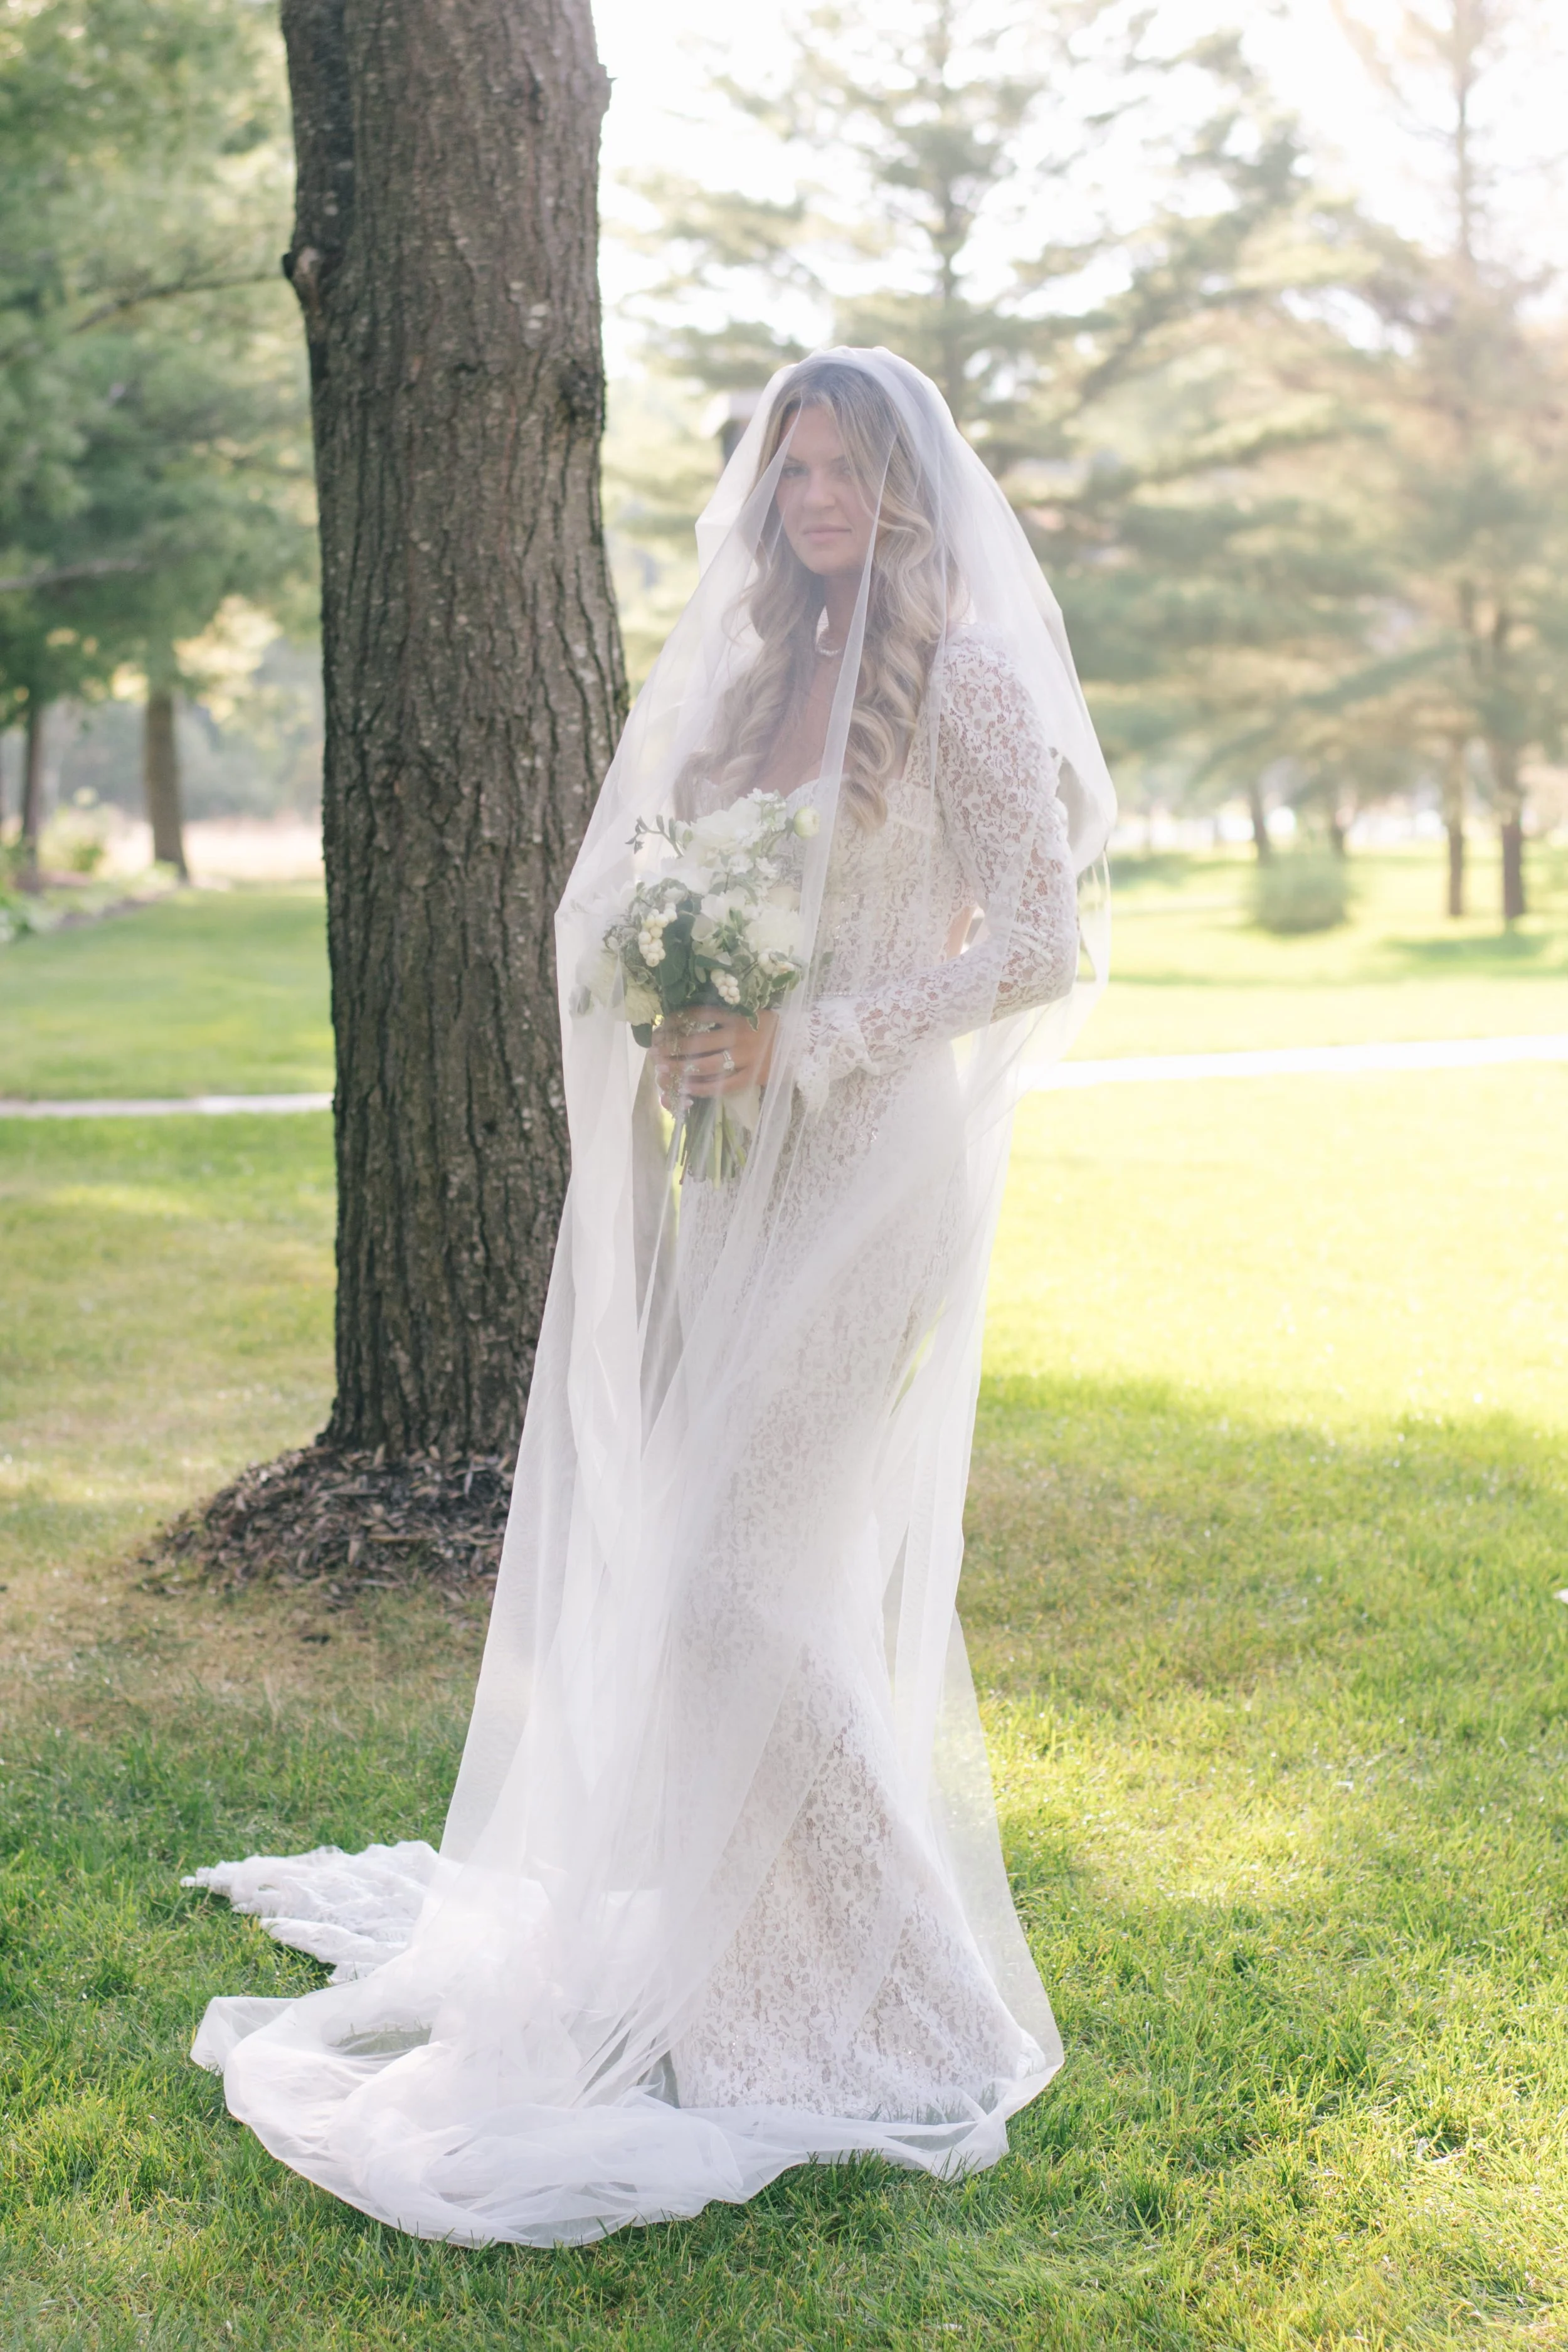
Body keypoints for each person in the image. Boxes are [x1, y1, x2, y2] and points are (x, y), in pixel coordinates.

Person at [186, 349, 1115, 2247]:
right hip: (727, 1178)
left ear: (915, 490)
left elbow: (1041, 937)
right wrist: (683, 1003)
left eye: (853, 466)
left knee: (729, 1580)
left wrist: (816, 1034)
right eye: (796, 466)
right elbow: (661, 894)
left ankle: (914, 1991)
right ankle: (745, 1968)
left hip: (868, 1173)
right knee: (707, 1567)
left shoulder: (974, 680)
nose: (821, 495)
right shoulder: (767, 674)